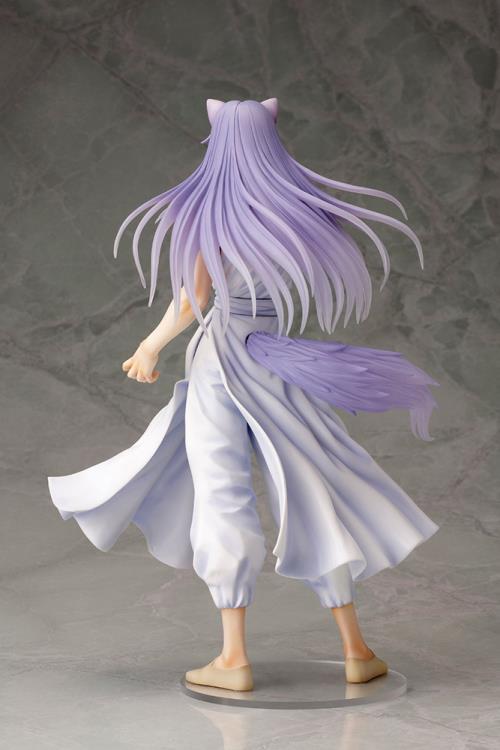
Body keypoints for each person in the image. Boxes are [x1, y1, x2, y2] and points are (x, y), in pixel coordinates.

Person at [48, 98, 440, 691]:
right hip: (275, 360)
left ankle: (234, 658)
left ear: (217, 139)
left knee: (223, 493)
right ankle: (356, 649)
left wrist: (150, 346)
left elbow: (193, 299)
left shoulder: (211, 213)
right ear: (273, 133)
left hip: (222, 361)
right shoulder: (303, 209)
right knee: (308, 488)